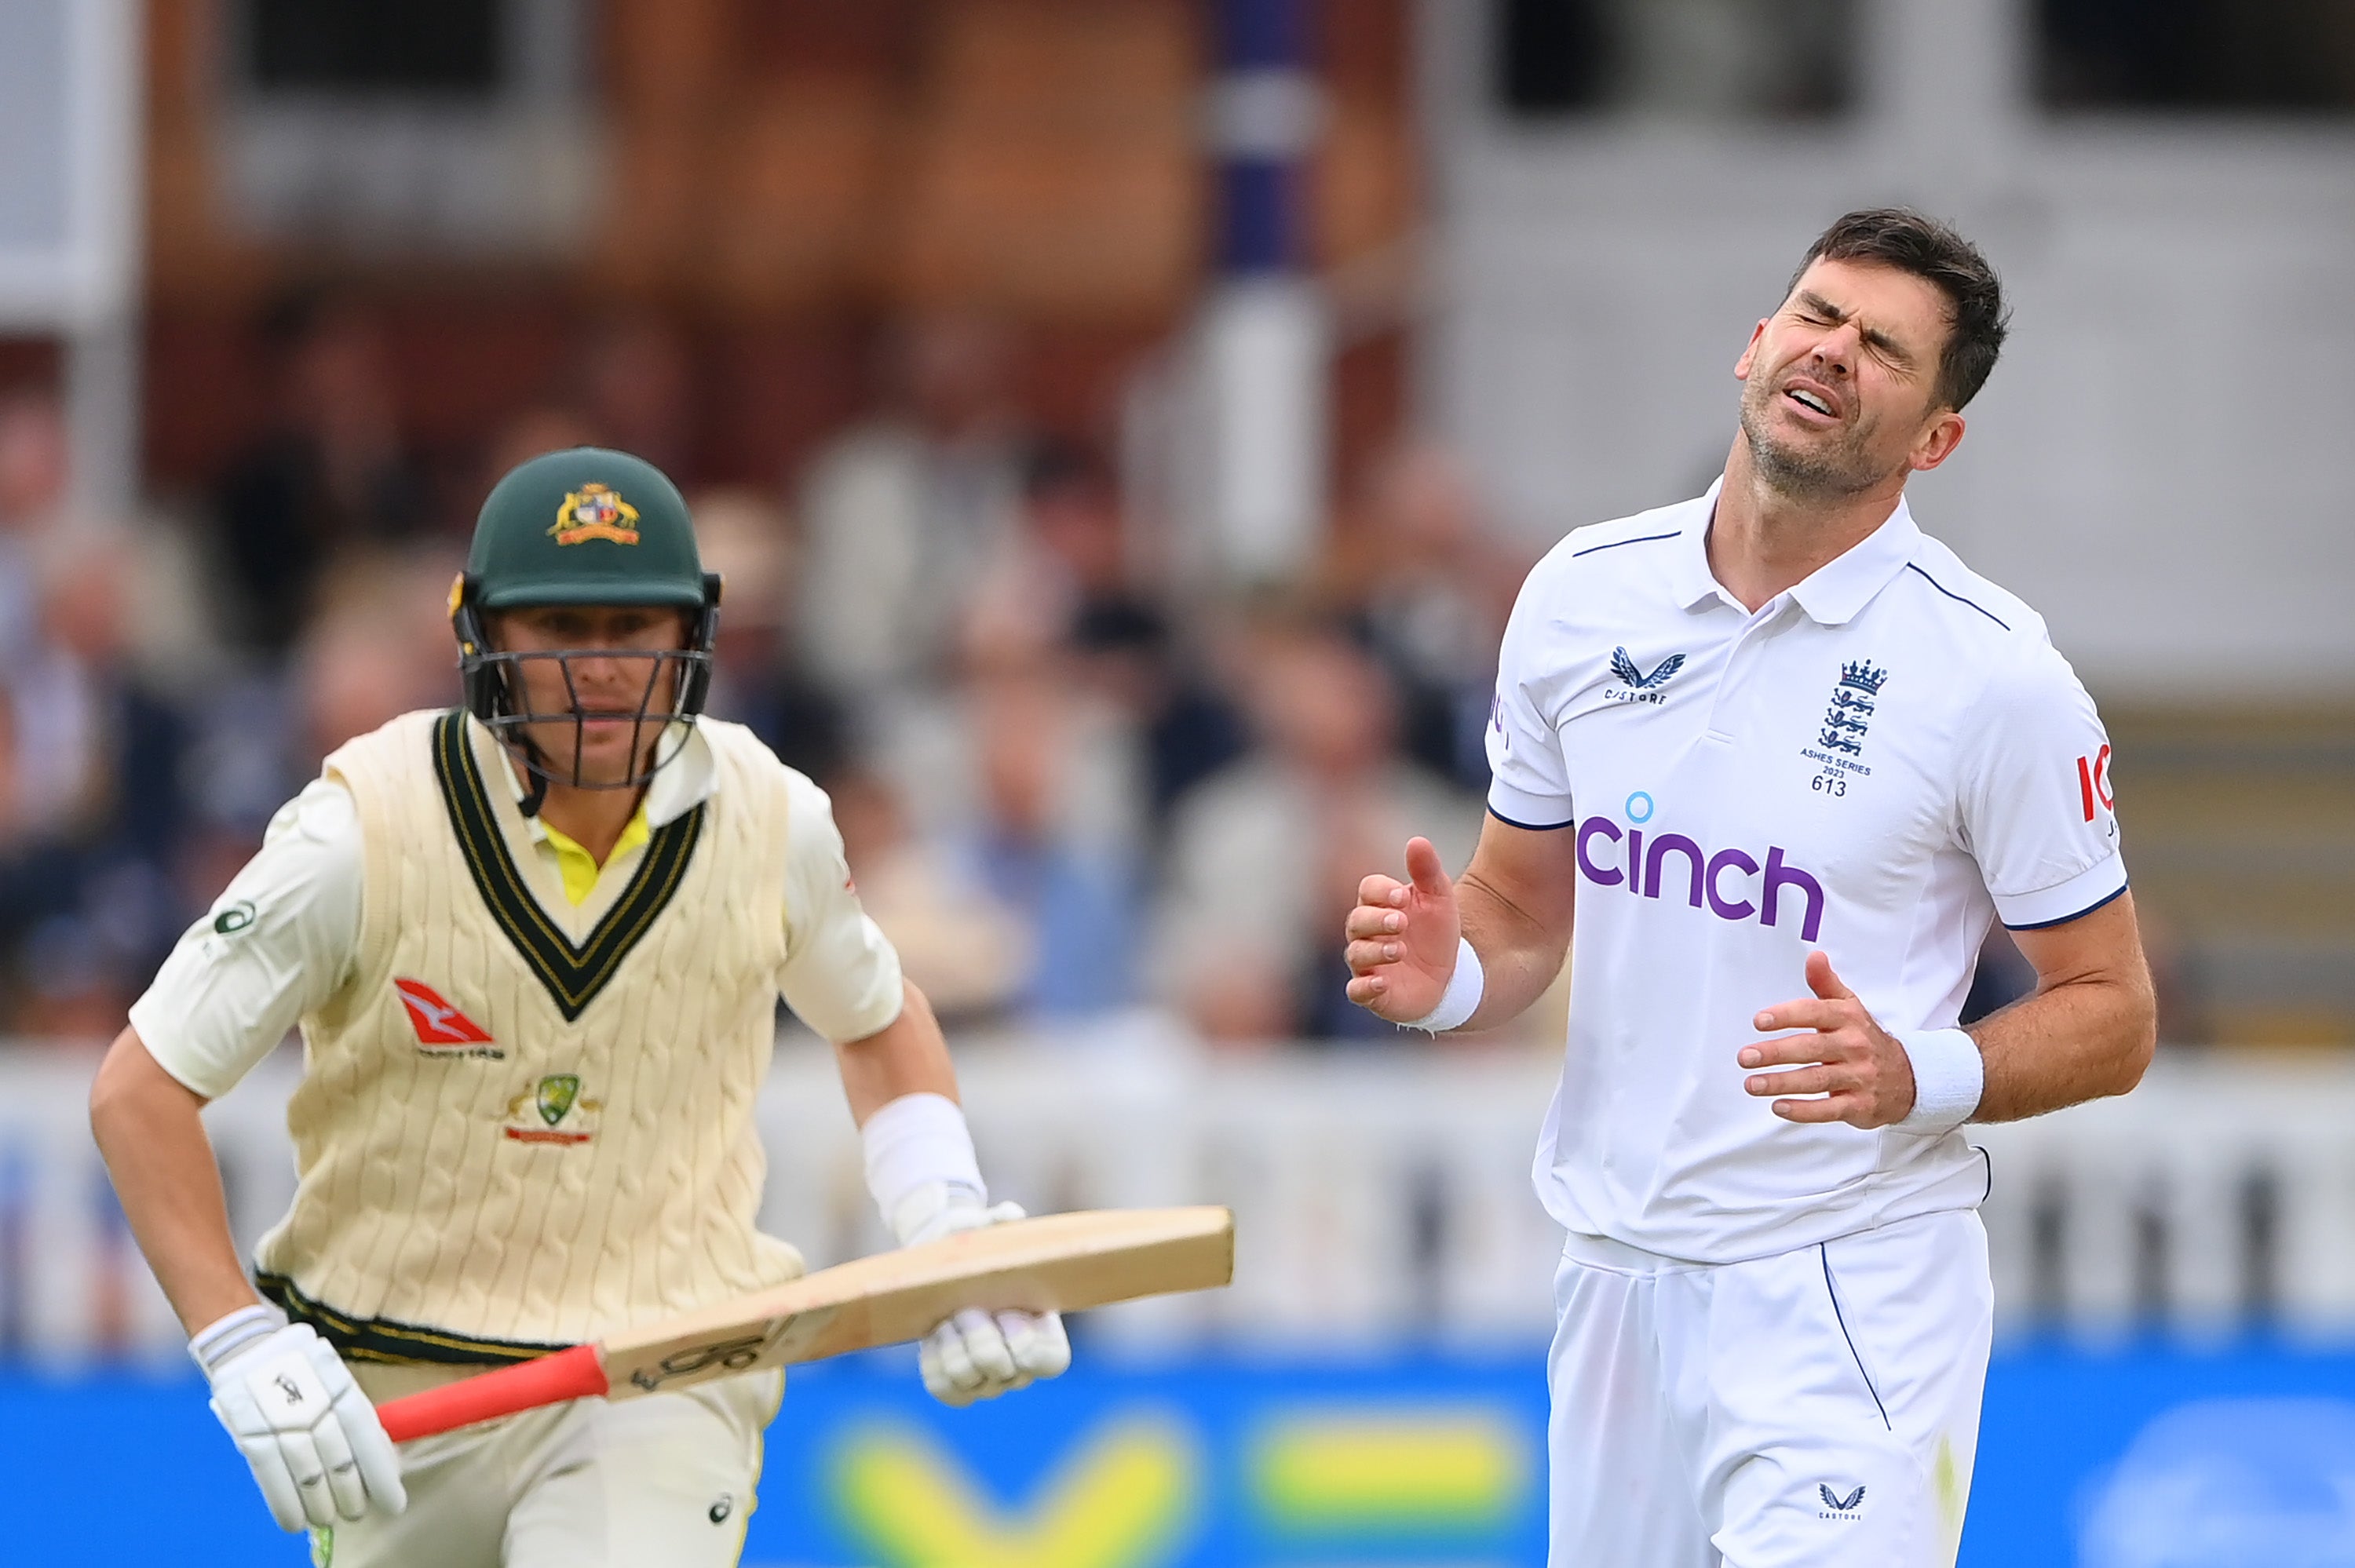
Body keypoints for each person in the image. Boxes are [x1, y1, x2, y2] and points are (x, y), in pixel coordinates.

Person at [1342, 210, 2156, 1565]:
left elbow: (2114, 1011)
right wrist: (1452, 978)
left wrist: (1917, 1072)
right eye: (1818, 316)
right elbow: (1522, 910)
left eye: (1885, 350)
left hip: (1849, 1286)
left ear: (1934, 438)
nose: (1835, 353)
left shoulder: (1997, 676)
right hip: (1613, 1277)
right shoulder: (1577, 596)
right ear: (1755, 344)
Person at [86, 449, 1069, 1564]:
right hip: (397, 1391)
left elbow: (878, 1020)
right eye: (561, 628)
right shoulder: (364, 829)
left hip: (660, 1374)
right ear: (484, 637)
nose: (601, 670)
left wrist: (940, 1217)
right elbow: (139, 1087)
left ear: (689, 637)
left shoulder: (772, 820)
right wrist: (238, 1334)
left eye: (633, 628)